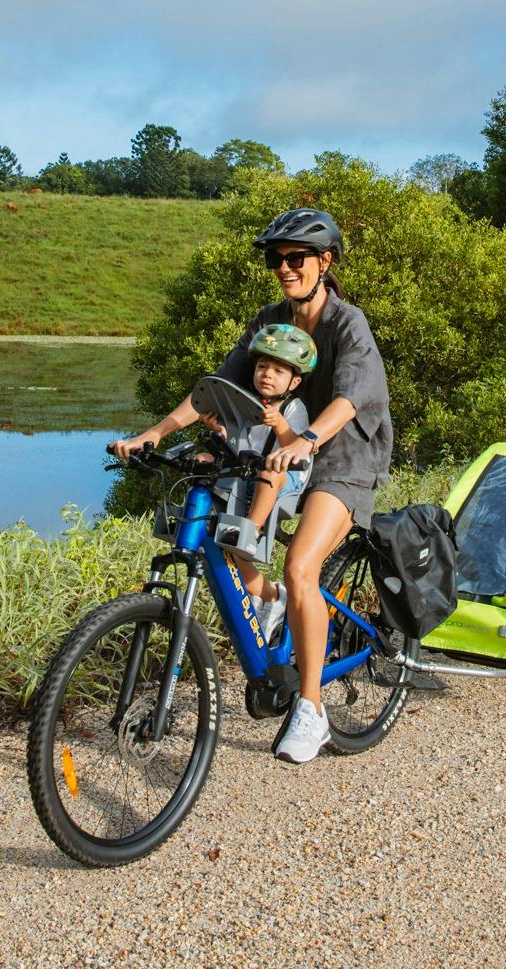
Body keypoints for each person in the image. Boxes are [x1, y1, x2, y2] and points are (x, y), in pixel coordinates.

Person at [112, 207, 393, 765]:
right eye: (276, 259)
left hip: (345, 455)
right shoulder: (270, 320)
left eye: (296, 258)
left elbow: (350, 397)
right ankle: (270, 603)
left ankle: (312, 711)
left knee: (301, 568)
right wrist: (153, 434)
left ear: (324, 261)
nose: (285, 268)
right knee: (226, 531)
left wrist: (307, 438)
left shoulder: (347, 322)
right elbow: (215, 389)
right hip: (278, 449)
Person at [205, 323, 316, 643]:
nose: (267, 374)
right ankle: (270, 596)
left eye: (278, 370)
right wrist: (218, 431)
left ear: (294, 381)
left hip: (286, 476)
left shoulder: (293, 408)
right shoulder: (245, 402)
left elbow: (295, 447)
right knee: (203, 462)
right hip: (248, 474)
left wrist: (280, 422)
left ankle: (250, 529)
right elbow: (236, 442)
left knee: (271, 472)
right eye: (262, 366)